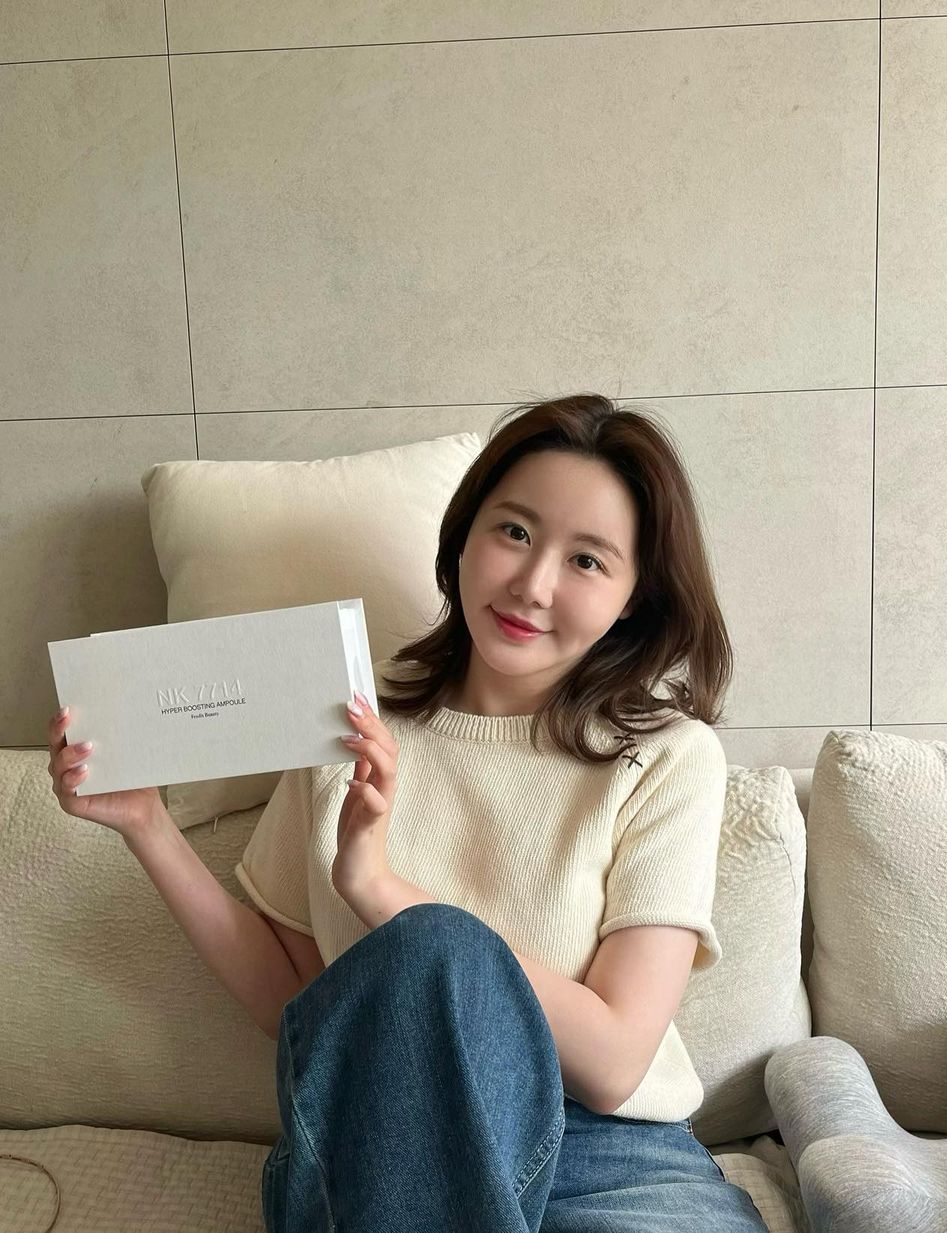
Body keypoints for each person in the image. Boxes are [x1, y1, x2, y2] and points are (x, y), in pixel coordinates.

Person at [48, 392, 770, 1232]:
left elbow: (613, 1065)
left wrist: (380, 889)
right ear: (463, 535)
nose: (533, 584)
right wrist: (147, 824)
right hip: (388, 1137)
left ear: (635, 595)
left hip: (610, 1163)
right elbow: (294, 1004)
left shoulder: (666, 757)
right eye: (514, 531)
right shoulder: (350, 724)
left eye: (587, 560)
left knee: (434, 944)